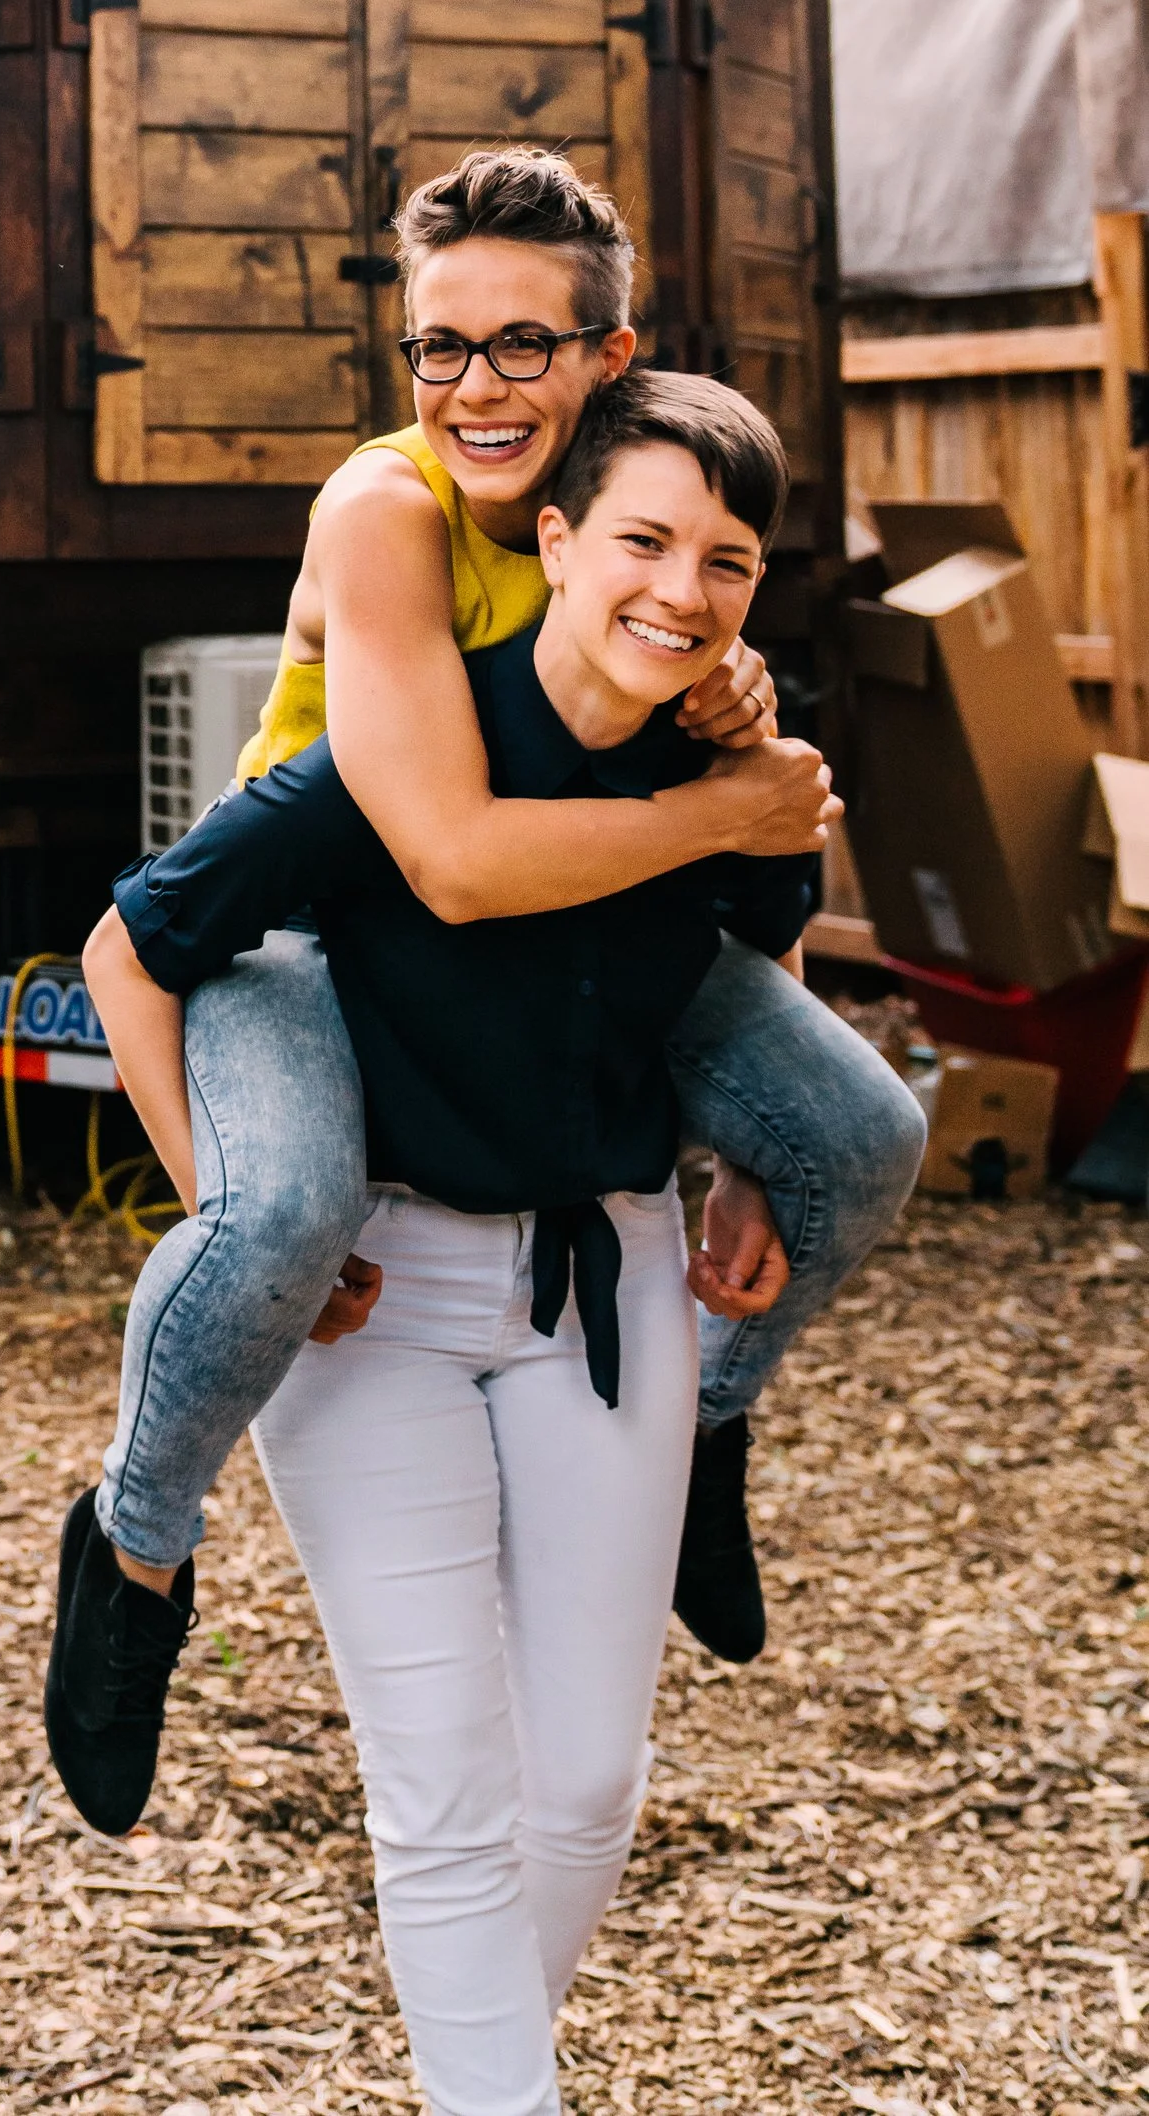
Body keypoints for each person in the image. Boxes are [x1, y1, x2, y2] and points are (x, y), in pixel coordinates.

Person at [45, 146, 925, 1832]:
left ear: (611, 357)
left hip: (576, 916)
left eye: (525, 343)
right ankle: (134, 1556)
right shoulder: (390, 511)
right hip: (316, 918)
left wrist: (742, 1143)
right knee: (291, 1212)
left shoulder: (651, 545)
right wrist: (217, 1194)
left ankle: (703, 1449)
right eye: (441, 345)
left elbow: (753, 876)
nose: (476, 384)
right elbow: (441, 853)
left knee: (856, 1135)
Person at [73, 377, 822, 2116]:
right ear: (553, 544)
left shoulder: (734, 770)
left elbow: (767, 969)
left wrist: (755, 1175)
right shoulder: (408, 763)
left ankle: (478, 2071)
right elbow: (135, 951)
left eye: (727, 561)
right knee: (445, 1795)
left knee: (583, 1790)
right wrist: (238, 1212)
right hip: (379, 1310)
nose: (682, 590)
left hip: (609, 1282)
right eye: (641, 539)